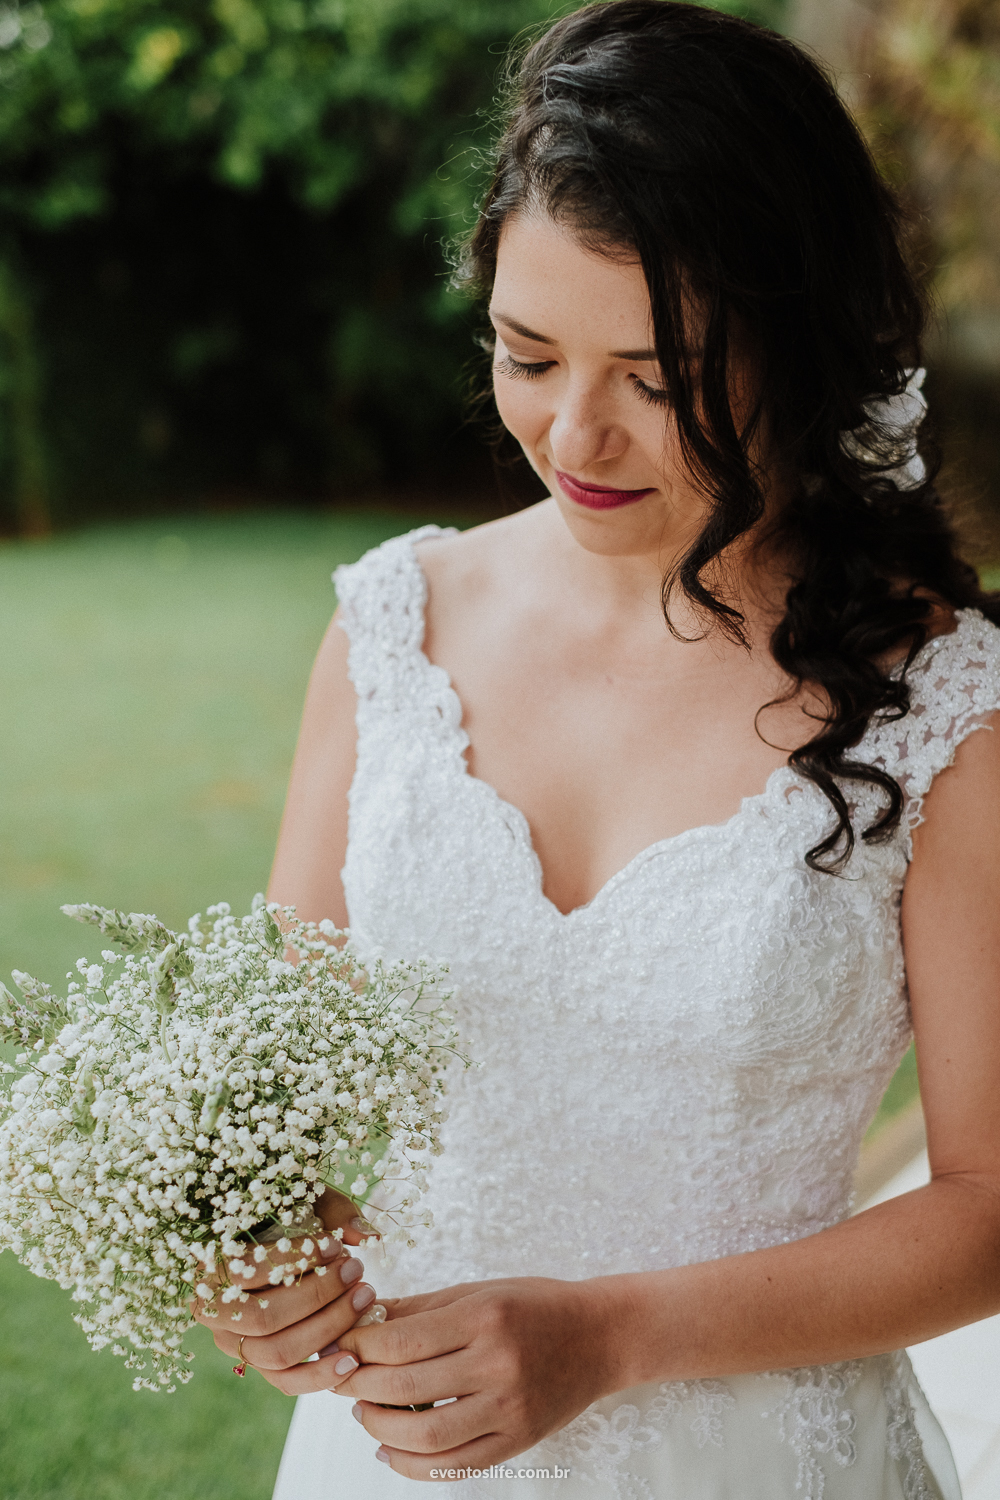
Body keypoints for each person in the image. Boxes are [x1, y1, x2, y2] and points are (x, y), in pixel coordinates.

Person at [194, 3, 1000, 1495]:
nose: (575, 435)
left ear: (799, 348)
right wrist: (262, 1260)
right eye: (526, 352)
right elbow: (273, 1097)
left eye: (657, 374)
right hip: (404, 1457)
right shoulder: (390, 629)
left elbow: (991, 1203)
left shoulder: (945, 702)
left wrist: (611, 1337)